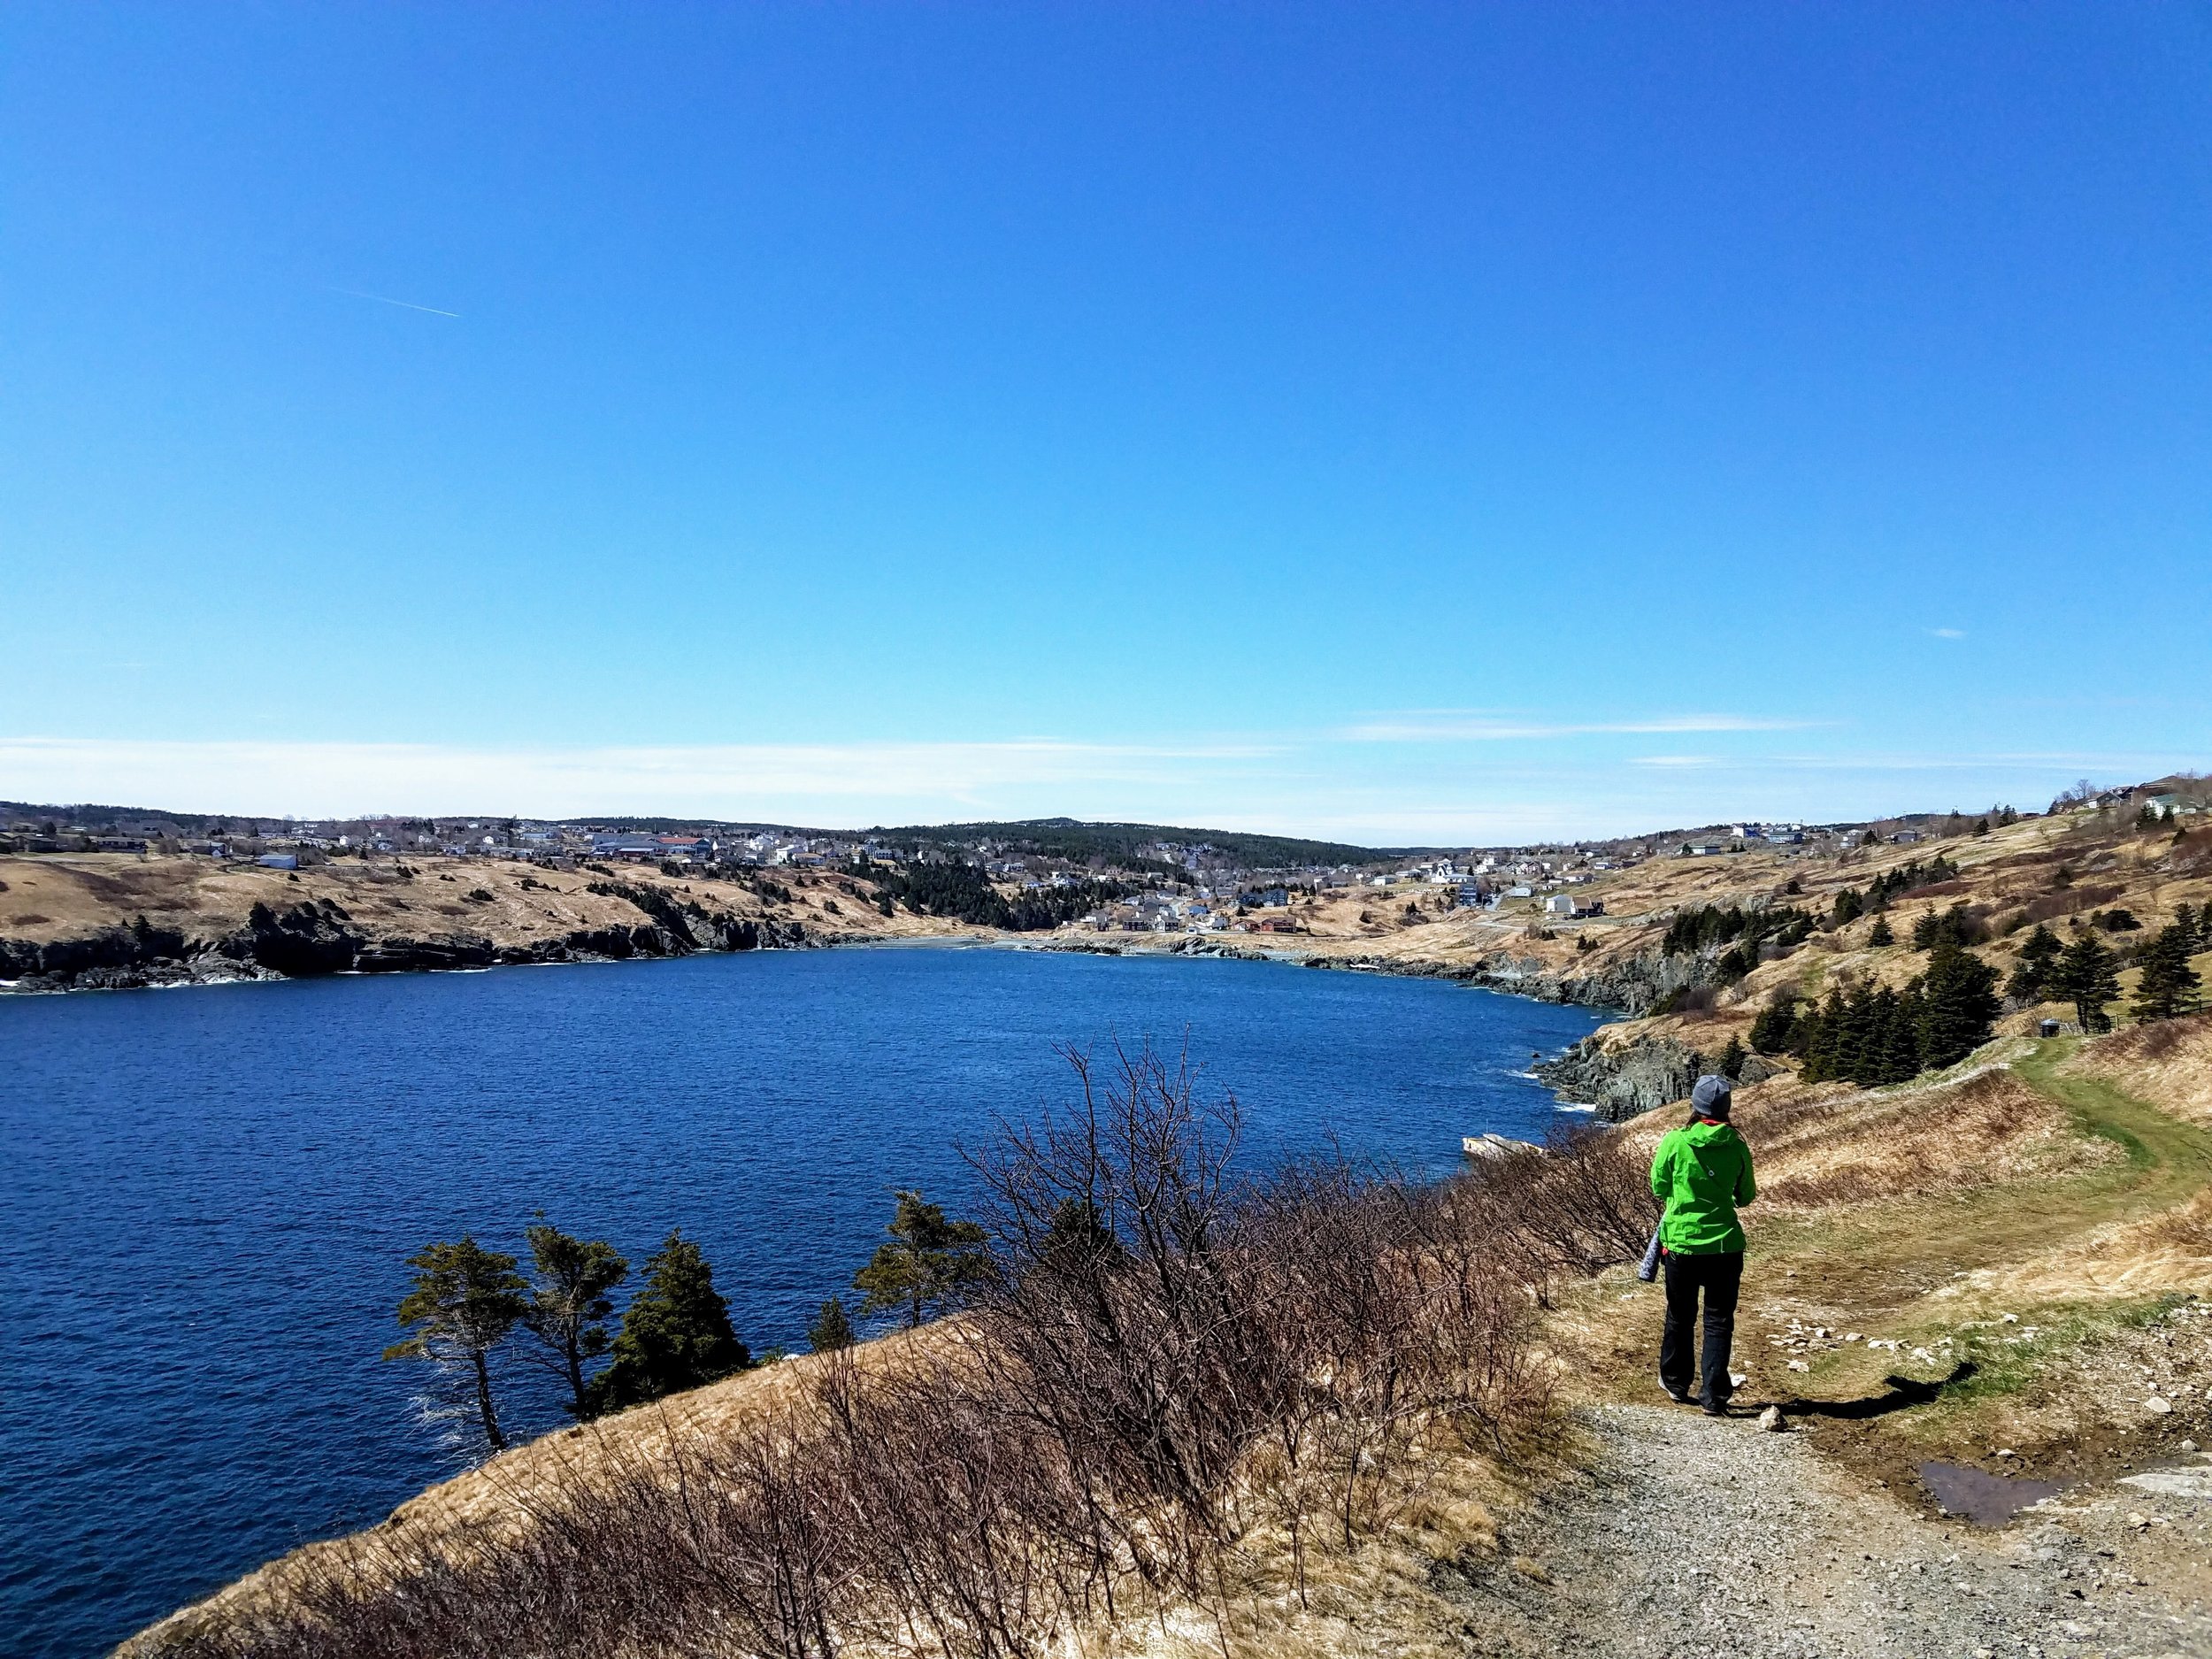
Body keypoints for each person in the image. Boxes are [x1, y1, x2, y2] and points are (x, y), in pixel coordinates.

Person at [1650, 1072, 1755, 1415]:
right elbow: (1746, 1196)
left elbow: (1659, 1186)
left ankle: (1676, 1382)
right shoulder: (1737, 1144)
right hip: (1725, 1245)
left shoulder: (1675, 1141)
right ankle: (1714, 1395)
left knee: (1680, 1316)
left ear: (1694, 1105)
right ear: (1726, 1108)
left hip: (1682, 1244)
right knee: (1718, 1320)